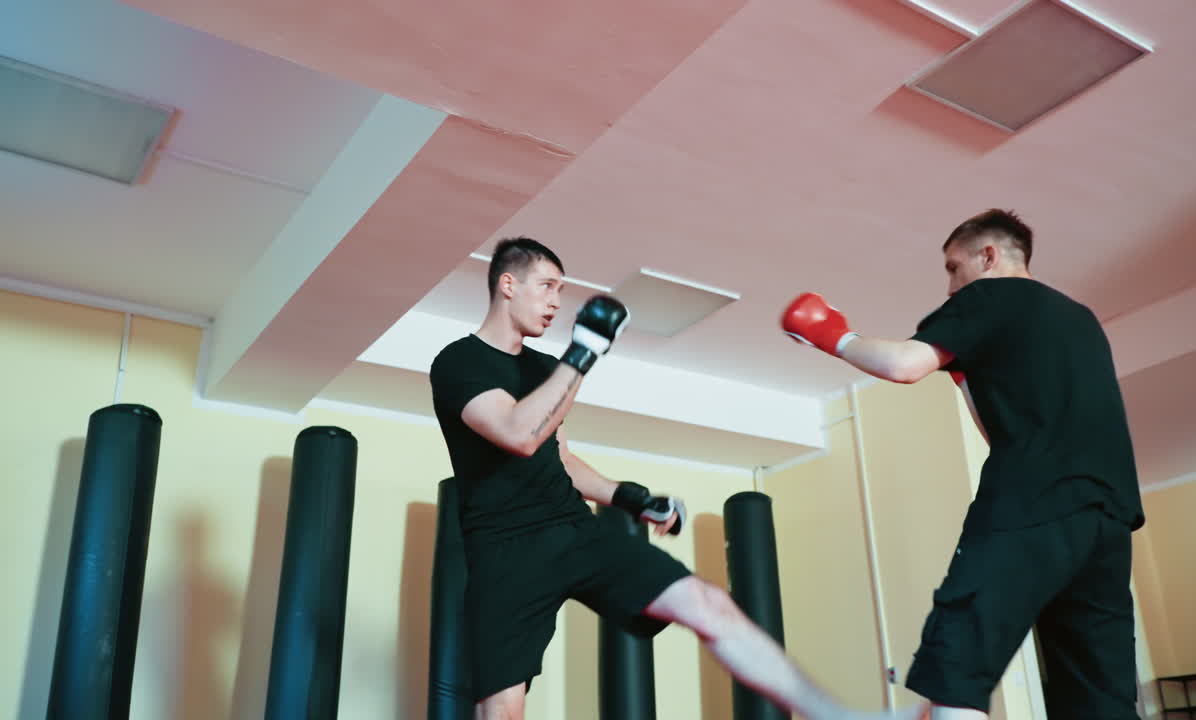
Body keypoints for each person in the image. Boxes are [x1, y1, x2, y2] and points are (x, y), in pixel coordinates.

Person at [431, 237, 916, 720]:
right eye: (548, 286)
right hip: (505, 550)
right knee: (502, 708)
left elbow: (556, 456)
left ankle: (835, 716)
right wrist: (582, 354)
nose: (557, 301)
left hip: (573, 529)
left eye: (562, 289)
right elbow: (519, 434)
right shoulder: (458, 362)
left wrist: (631, 499)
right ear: (508, 284)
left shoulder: (543, 367)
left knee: (704, 600)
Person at [782, 209, 1145, 720]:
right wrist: (967, 376)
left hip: (1032, 500)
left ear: (989, 256)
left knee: (958, 665)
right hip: (1109, 519)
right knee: (1098, 693)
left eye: (955, 268)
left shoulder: (989, 296)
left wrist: (833, 335)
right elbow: (1005, 430)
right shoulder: (1081, 318)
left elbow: (904, 366)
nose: (952, 286)